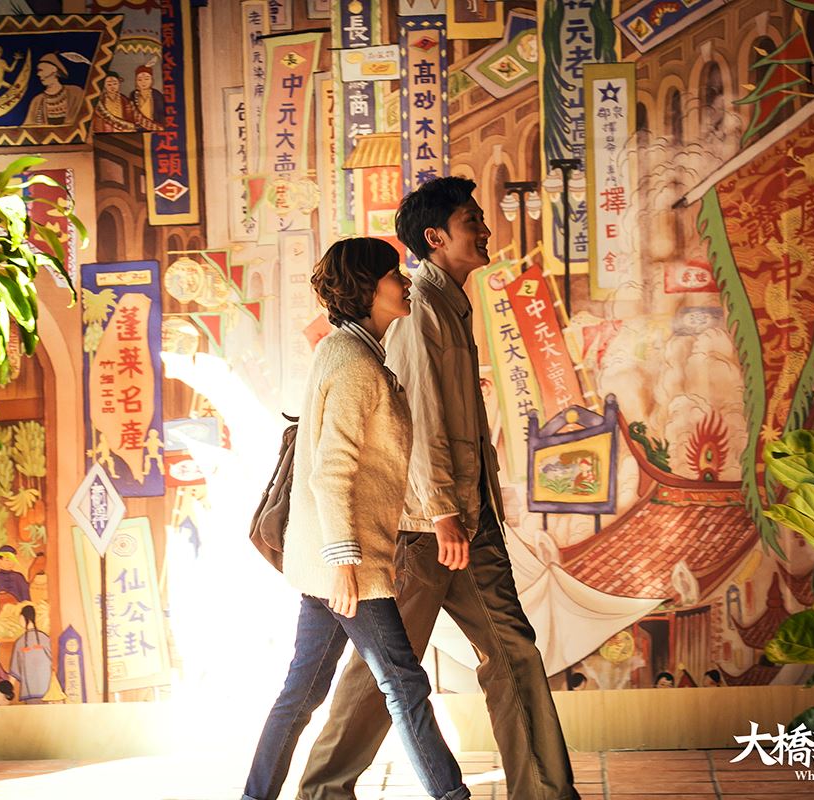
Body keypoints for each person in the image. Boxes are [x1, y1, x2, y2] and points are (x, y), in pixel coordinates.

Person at [298, 178, 579, 800]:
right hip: (425, 529)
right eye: (471, 220)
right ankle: (322, 790)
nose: (485, 228)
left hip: (466, 519)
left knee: (512, 651)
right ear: (435, 236)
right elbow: (418, 420)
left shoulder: (449, 302)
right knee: (384, 673)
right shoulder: (420, 306)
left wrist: (463, 511)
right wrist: (445, 511)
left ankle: (545, 792)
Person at [242, 237, 469, 800]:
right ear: (368, 288)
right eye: (394, 275)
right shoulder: (355, 364)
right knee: (404, 686)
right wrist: (344, 564)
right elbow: (331, 471)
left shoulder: (347, 351)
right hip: (348, 564)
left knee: (302, 693)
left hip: (327, 558)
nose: (405, 283)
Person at [24, 53, 84, 127]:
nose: (38, 74)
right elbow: (28, 127)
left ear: (53, 70)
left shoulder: (75, 92)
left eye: (41, 70)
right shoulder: (37, 100)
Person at [130, 64, 165, 129]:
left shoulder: (157, 95)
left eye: (146, 79)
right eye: (140, 80)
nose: (143, 82)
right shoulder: (133, 95)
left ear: (152, 80)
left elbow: (161, 113)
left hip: (154, 127)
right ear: (136, 81)